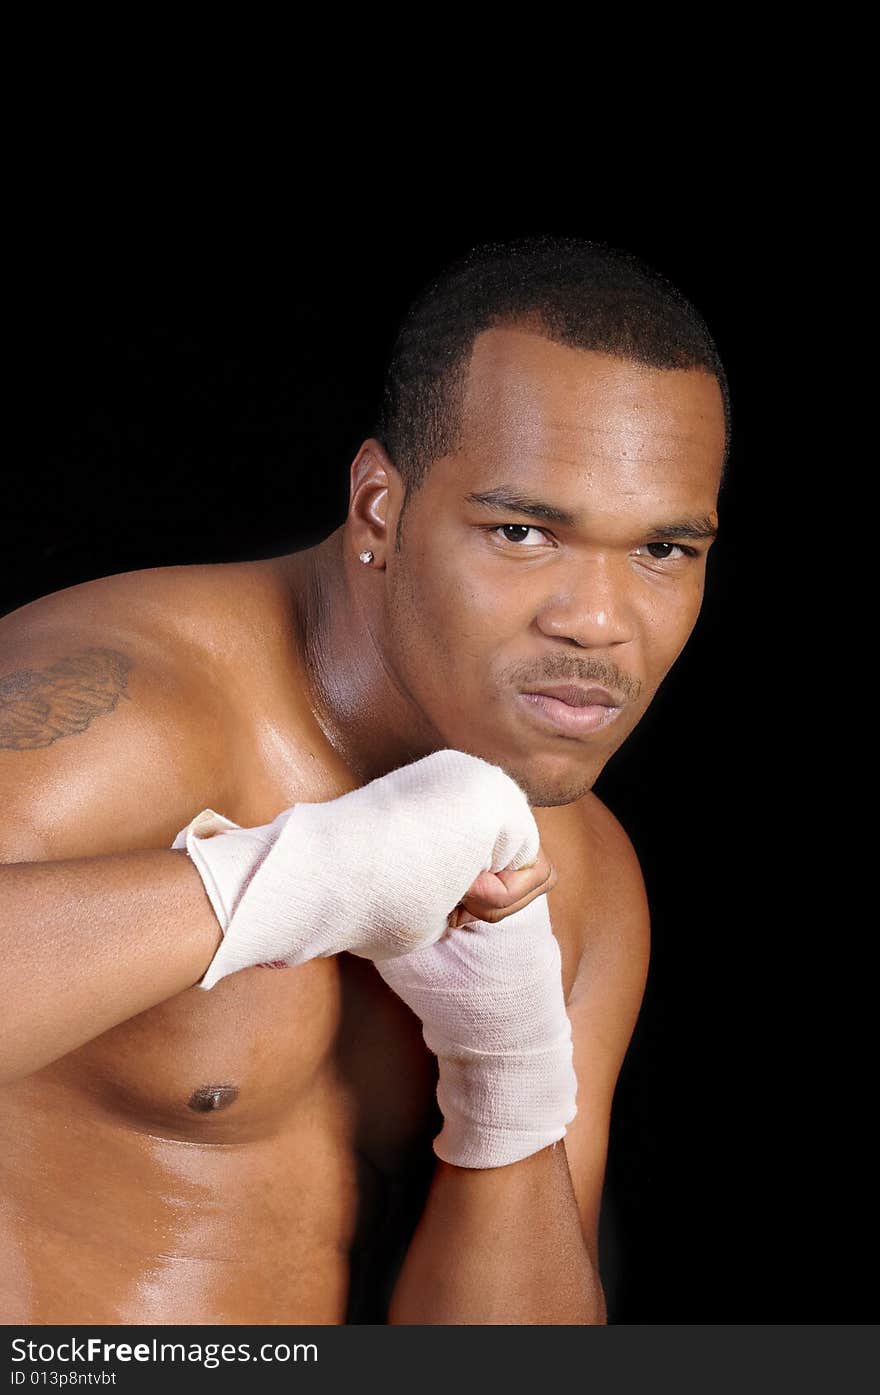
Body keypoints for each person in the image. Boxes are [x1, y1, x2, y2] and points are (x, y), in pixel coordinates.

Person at [0, 233, 729, 1326]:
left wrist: (509, 1069)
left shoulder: (580, 870)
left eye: (663, 552)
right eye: (523, 531)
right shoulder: (117, 719)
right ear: (380, 507)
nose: (597, 622)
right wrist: (307, 876)